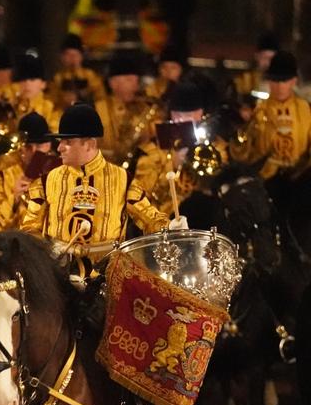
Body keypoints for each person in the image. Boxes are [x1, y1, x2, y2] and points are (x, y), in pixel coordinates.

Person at [21, 103, 171, 262]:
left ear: (89, 144)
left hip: (106, 274)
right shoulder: (46, 181)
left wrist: (171, 227)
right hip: (58, 274)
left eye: (67, 142)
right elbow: (29, 230)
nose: (59, 148)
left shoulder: (123, 180)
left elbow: (150, 220)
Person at [134, 81, 228, 218]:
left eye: (189, 115)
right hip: (166, 219)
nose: (182, 120)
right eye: (177, 115)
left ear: (200, 113)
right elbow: (143, 192)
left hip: (205, 215)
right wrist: (172, 164)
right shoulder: (154, 148)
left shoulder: (215, 145)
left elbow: (220, 182)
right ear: (170, 114)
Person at [231, 51, 311, 183]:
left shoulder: (305, 109)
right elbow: (242, 154)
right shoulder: (258, 110)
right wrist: (242, 128)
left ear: (293, 81)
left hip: (299, 182)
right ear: (269, 81)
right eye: (275, 80)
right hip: (264, 182)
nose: (279, 86)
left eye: (284, 80)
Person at [0, 112, 52, 232]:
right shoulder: (1, 177)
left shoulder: (58, 172)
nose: (37, 152)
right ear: (21, 149)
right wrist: (14, 198)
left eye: (42, 145)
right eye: (30, 147)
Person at [95, 52, 159, 165]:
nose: (135, 85)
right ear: (112, 83)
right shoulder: (97, 109)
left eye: (136, 80)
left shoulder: (145, 108)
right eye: (129, 80)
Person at [48, 34, 105, 109]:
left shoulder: (90, 76)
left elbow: (101, 99)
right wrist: (63, 100)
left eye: (75, 55)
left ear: (81, 56)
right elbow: (51, 102)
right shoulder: (57, 78)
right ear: (62, 57)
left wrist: (84, 95)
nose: (72, 59)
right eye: (68, 55)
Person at [233, 32, 278, 100]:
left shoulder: (285, 82)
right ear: (257, 56)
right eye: (264, 57)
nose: (268, 62)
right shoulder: (244, 81)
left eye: (272, 58)